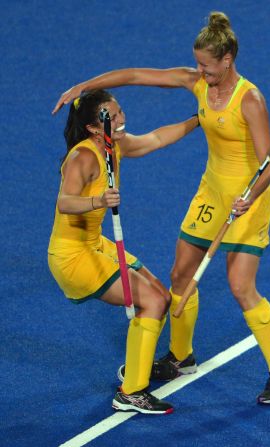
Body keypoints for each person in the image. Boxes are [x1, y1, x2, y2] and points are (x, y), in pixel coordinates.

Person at [53, 11, 270, 404]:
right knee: (180, 277)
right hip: (210, 195)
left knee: (240, 286)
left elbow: (268, 164)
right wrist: (84, 86)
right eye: (197, 64)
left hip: (247, 200)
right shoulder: (199, 83)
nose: (201, 72)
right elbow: (136, 75)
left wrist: (249, 198)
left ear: (227, 60)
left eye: (208, 65)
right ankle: (181, 357)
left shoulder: (250, 100)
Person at [48, 89, 199, 413]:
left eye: (120, 112)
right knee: (154, 301)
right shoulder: (84, 157)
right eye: (113, 117)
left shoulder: (114, 145)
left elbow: (156, 138)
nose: (122, 120)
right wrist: (98, 201)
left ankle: (138, 367)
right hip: (72, 255)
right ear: (92, 126)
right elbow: (64, 203)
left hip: (95, 243)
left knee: (160, 293)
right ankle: (132, 392)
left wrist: (199, 120)